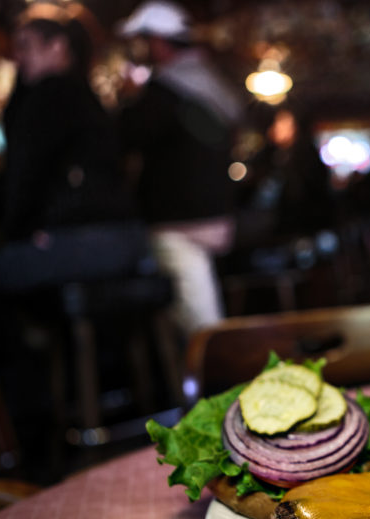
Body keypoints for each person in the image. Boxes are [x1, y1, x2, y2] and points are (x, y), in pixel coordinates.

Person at [0, 2, 147, 294]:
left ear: (58, 46)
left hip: (86, 241)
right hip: (127, 239)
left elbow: (24, 171)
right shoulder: (86, 96)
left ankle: (36, 339)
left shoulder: (47, 97)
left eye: (24, 46)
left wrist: (22, 232)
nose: (16, 57)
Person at [117, 0, 244, 337]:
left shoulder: (164, 92)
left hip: (179, 221)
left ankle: (217, 381)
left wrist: (128, 96)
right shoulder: (212, 82)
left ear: (157, 42)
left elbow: (121, 137)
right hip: (218, 216)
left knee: (203, 329)